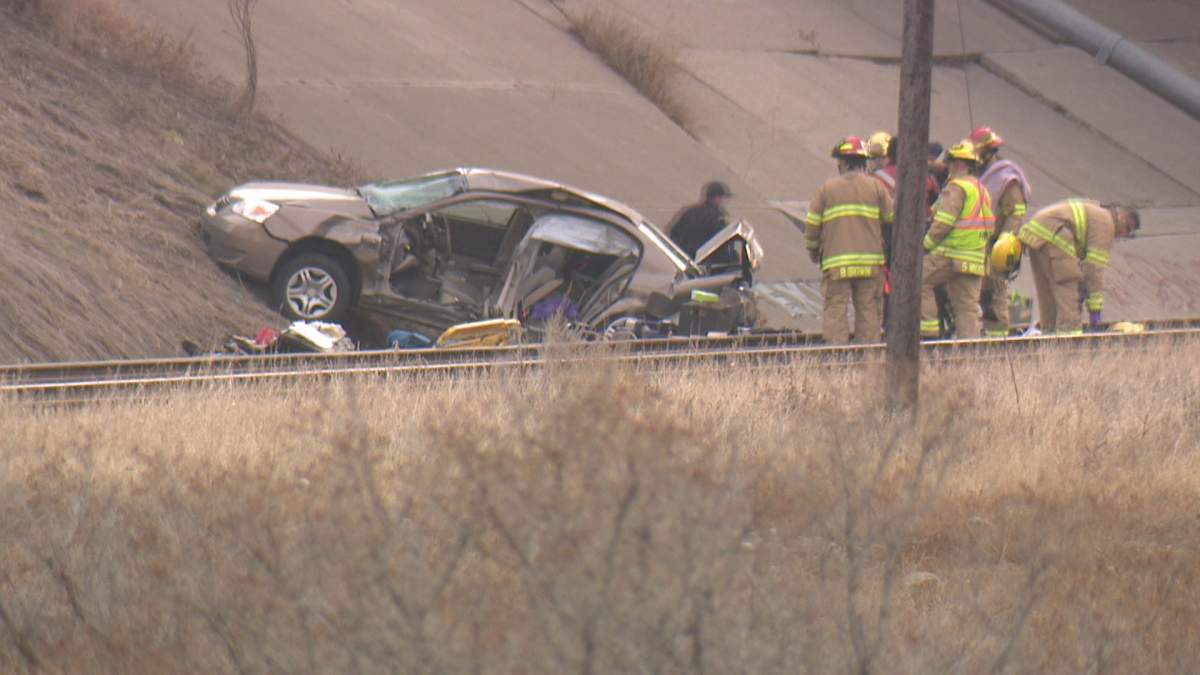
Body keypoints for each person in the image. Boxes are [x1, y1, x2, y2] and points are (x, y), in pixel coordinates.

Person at [804, 136, 894, 344]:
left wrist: (813, 251)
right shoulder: (877, 187)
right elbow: (891, 218)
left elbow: (812, 226)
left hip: (837, 265)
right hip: (870, 264)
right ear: (864, 162)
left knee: (836, 312)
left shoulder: (827, 189)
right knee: (869, 313)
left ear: (843, 163)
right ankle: (868, 362)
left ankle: (838, 360)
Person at [1017, 200, 1139, 334]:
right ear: (1120, 217)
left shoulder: (1098, 214)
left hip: (1036, 233)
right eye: (1127, 228)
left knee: (1048, 294)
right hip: (1056, 235)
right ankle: (1070, 340)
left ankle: (1049, 335)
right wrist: (1095, 308)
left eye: (1129, 233)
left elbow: (1086, 266)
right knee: (1069, 292)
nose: (1124, 234)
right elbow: (1094, 269)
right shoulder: (1107, 225)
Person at [920, 140, 995, 339]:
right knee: (967, 307)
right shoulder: (981, 189)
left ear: (960, 164)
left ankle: (928, 337)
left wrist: (925, 245)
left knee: (918, 281)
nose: (948, 165)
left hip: (950, 254)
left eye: (951, 161)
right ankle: (969, 350)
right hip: (974, 258)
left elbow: (943, 223)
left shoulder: (956, 187)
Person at [971, 126, 1032, 337]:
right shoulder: (984, 176)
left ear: (989, 151)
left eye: (978, 153)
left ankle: (998, 339)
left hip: (999, 246)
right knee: (981, 293)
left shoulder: (1006, 178)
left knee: (997, 294)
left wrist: (1003, 241)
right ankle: (987, 335)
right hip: (982, 243)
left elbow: (1016, 212)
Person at [668, 181, 733, 260]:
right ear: (717, 198)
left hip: (682, 260)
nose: (723, 202)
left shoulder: (689, 212)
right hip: (703, 263)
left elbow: (673, 234)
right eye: (722, 198)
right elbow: (722, 243)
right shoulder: (717, 218)